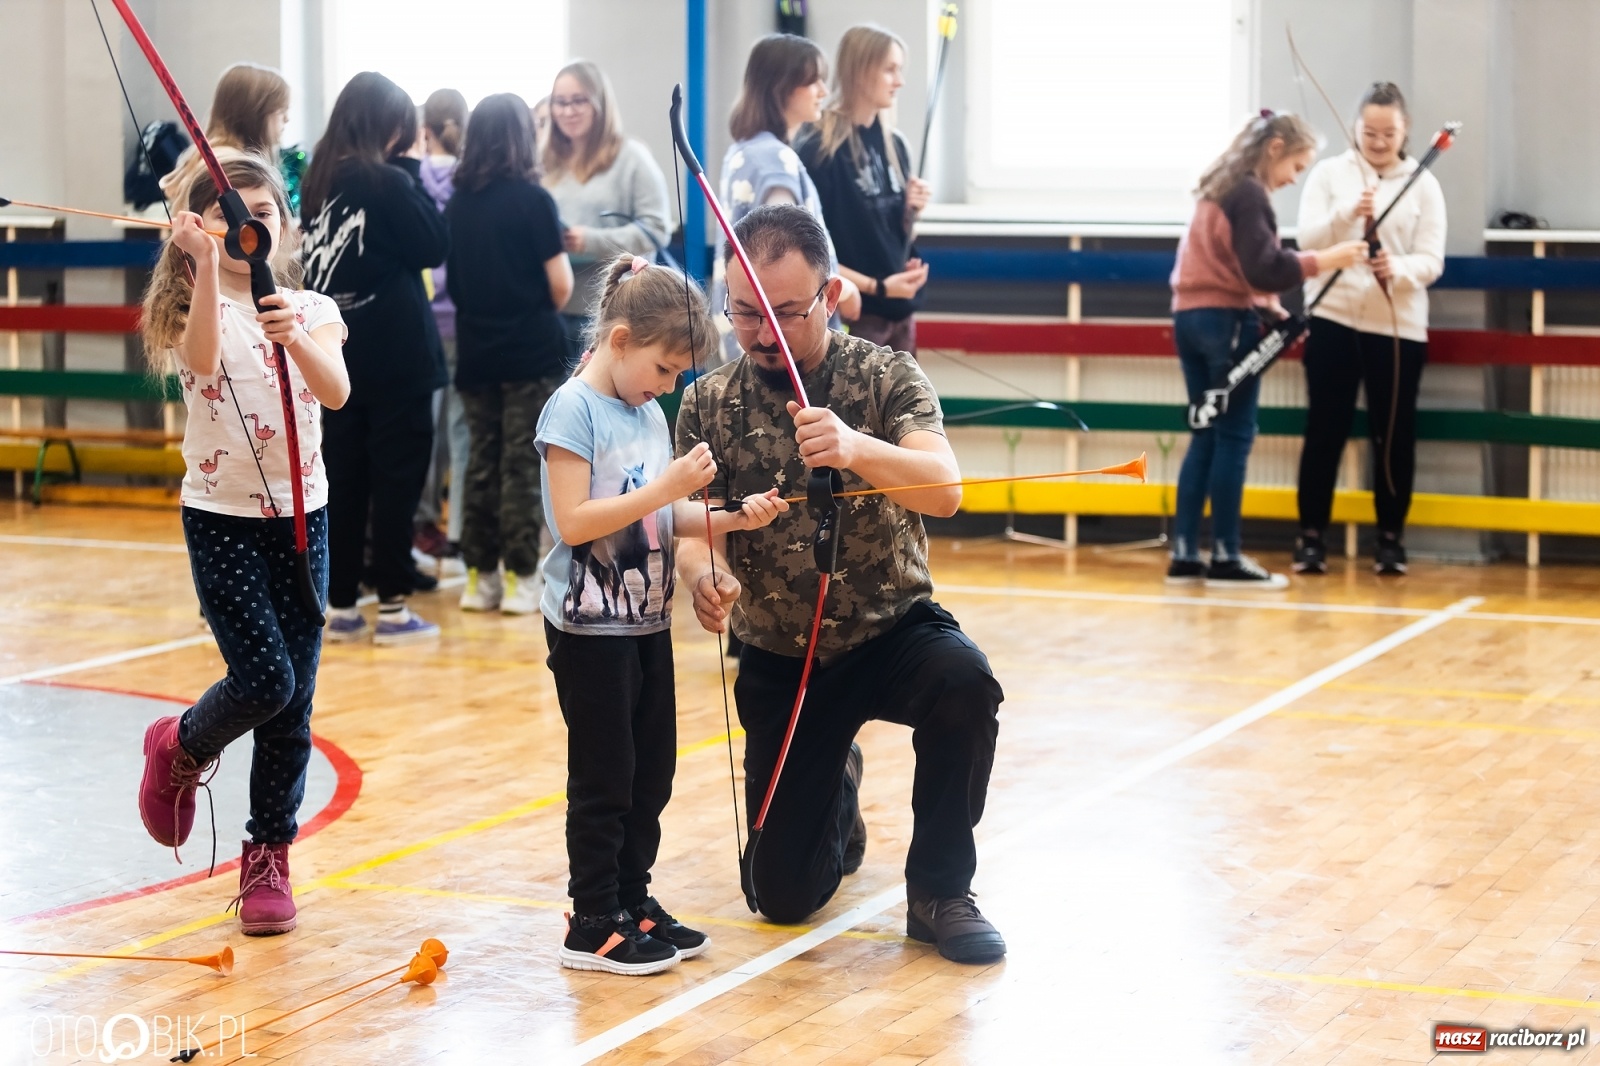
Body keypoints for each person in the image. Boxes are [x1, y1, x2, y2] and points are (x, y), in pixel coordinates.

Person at [676, 205, 1007, 965]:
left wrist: (856, 446)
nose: (763, 334)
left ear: (829, 298)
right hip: (783, 657)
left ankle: (940, 890)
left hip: (892, 629)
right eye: (745, 313)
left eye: (786, 313)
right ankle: (836, 790)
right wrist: (706, 578)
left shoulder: (886, 375)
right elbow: (692, 528)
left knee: (965, 684)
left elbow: (944, 488)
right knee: (783, 898)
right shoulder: (706, 402)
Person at [538, 253, 789, 974]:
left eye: (678, 374)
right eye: (664, 367)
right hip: (589, 630)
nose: (670, 384)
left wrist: (731, 518)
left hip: (645, 621)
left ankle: (630, 898)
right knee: (604, 776)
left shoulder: (645, 409)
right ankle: (592, 919)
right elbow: (576, 522)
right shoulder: (573, 410)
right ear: (619, 340)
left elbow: (661, 512)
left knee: (651, 774)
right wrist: (670, 487)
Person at [135, 155, 349, 935]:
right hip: (220, 519)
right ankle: (180, 745)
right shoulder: (196, 305)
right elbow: (200, 364)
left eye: (259, 209)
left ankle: (268, 854)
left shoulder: (311, 306)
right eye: (225, 212)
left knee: (294, 704)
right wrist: (197, 267)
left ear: (281, 224)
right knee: (265, 678)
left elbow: (337, 391)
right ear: (201, 226)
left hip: (304, 521)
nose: (243, 222)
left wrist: (294, 335)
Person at [1166, 111, 1368, 590]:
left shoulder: (1220, 186)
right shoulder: (1250, 192)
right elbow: (1264, 267)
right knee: (1235, 434)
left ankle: (1184, 553)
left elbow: (1231, 266)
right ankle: (1227, 556)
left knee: (1206, 429)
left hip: (1190, 317)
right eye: (1297, 165)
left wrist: (1268, 306)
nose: (1295, 177)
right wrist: (1327, 259)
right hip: (1225, 324)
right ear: (1275, 148)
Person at [301, 72, 450, 644]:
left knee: (342, 481)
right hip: (398, 358)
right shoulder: (385, 179)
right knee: (395, 483)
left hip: (334, 354)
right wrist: (410, 169)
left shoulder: (317, 179)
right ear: (390, 127)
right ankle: (391, 609)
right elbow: (433, 243)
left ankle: (340, 605)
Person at [1293, 82, 1446, 576]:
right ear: (1356, 127)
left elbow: (1431, 259)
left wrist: (1397, 271)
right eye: (1369, 131)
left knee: (1394, 435)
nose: (1378, 141)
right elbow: (1305, 240)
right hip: (1334, 317)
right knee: (1325, 431)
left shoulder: (1422, 181)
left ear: (1405, 132)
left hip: (1398, 325)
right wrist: (1346, 214)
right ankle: (1312, 537)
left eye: (1389, 132)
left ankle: (1389, 539)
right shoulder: (1330, 174)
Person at [447, 93, 573, 614]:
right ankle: (523, 576)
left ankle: (479, 579)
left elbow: (452, 282)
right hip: (529, 352)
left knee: (481, 462)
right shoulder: (534, 200)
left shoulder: (457, 204)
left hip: (476, 351)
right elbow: (561, 286)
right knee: (523, 463)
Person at [714, 33, 861, 365]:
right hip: (782, 342)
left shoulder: (746, 150)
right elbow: (781, 252)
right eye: (814, 82)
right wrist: (844, 290)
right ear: (782, 87)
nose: (824, 91)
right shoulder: (773, 158)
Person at [796, 25, 930, 353]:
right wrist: (879, 287)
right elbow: (811, 247)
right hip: (854, 312)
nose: (899, 81)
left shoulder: (895, 144)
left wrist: (911, 216)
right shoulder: (821, 146)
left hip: (900, 311)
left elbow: (891, 236)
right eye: (890, 70)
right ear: (861, 70)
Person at [542, 61, 671, 362]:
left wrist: (590, 240)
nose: (568, 111)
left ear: (600, 104)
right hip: (553, 310)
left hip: (613, 313)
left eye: (579, 101)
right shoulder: (544, 159)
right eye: (560, 102)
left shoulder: (632, 158)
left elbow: (656, 230)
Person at [415, 88, 470, 566]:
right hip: (464, 316)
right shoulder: (472, 182)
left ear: (424, 131)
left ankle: (423, 520)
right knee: (461, 427)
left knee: (426, 427)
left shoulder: (412, 179)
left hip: (422, 317)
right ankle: (459, 528)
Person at [158, 63, 291, 204]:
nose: (287, 118)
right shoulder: (230, 166)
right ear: (255, 114)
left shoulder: (215, 155)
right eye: (281, 110)